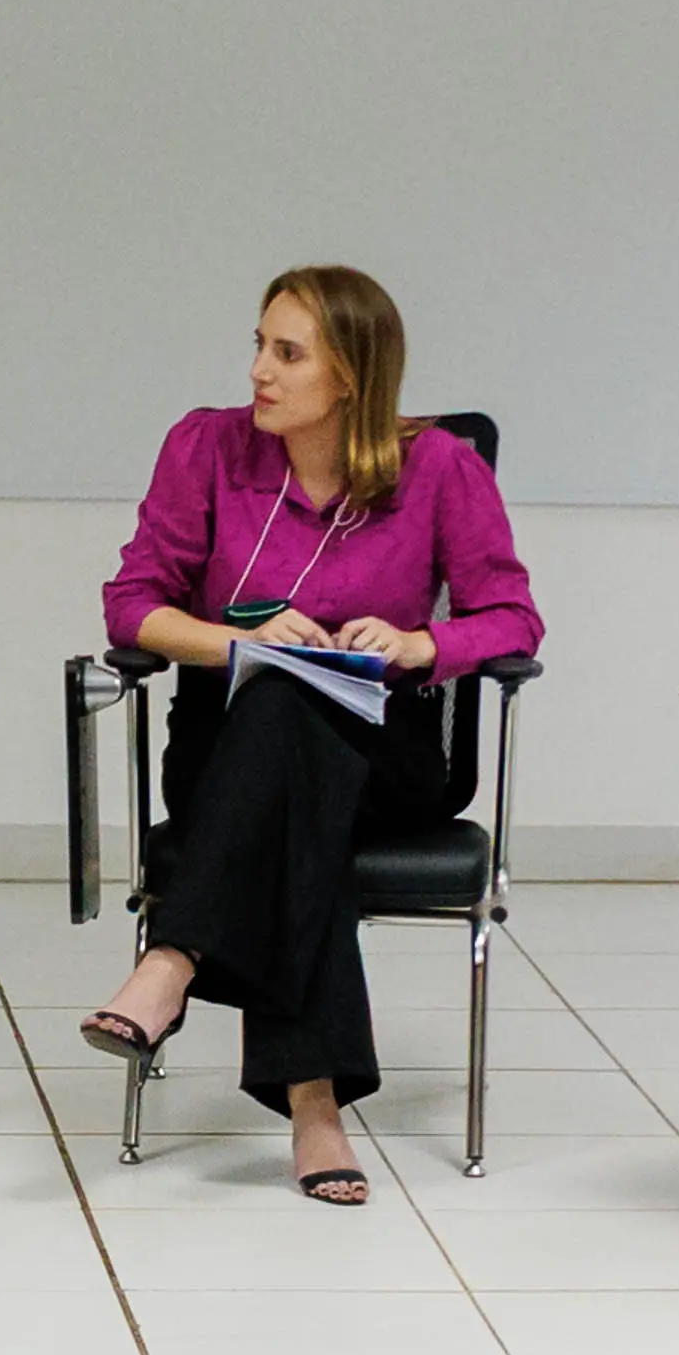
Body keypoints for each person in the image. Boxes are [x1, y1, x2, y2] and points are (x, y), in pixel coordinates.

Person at [81, 267, 540, 1209]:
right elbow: (132, 608)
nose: (258, 371)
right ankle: (314, 1103)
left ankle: (171, 960)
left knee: (303, 744)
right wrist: (239, 641)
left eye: (286, 354)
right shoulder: (206, 448)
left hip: (390, 746)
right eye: (257, 344)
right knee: (292, 763)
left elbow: (512, 620)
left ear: (350, 380)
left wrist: (420, 642)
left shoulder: (441, 467)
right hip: (226, 739)